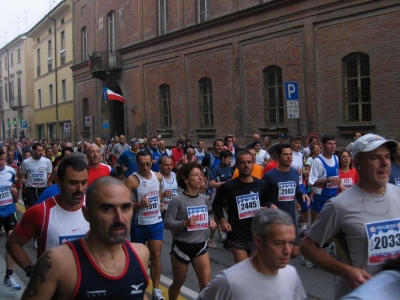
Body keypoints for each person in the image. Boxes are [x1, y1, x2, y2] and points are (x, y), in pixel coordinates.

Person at [300, 133, 400, 299]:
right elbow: (308, 247)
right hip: (358, 294)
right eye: (375, 158)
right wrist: (345, 271)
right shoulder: (339, 205)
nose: (384, 163)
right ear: (357, 163)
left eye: (387, 157)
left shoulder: (398, 194)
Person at [21, 177, 150, 300]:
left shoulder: (140, 254)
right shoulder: (58, 262)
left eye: (126, 207)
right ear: (87, 214)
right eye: (107, 209)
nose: (120, 218)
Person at [198, 209, 306, 300]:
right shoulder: (229, 280)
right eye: (279, 243)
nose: (288, 251)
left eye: (291, 243)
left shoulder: (291, 274)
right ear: (258, 241)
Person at [6, 156, 90, 271]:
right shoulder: (40, 211)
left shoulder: (95, 208)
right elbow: (13, 243)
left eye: (84, 182)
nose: (80, 189)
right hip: (54, 288)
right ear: (59, 182)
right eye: (73, 183)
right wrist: (33, 272)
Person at [164, 162, 217, 300]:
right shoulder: (177, 200)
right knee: (178, 283)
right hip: (182, 247)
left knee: (206, 285)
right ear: (186, 179)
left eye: (201, 175)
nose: (200, 178)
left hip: (200, 245)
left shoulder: (204, 198)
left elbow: (207, 215)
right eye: (195, 175)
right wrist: (184, 223)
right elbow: (167, 223)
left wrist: (210, 221)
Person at [212, 150, 268, 263]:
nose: (246, 165)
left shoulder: (261, 185)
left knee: (255, 271)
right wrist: (223, 221)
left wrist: (267, 209)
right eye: (242, 162)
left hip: (256, 235)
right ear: (236, 165)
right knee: (244, 270)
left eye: (249, 162)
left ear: (253, 164)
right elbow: (216, 204)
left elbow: (267, 203)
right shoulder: (228, 186)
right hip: (237, 235)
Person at [125, 150, 165, 300]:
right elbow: (123, 202)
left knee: (155, 255)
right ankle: (138, 289)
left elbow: (158, 191)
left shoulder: (158, 176)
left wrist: (159, 202)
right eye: (142, 165)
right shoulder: (132, 180)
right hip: (139, 224)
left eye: (148, 164)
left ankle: (156, 290)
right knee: (139, 258)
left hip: (156, 222)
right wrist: (138, 204)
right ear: (137, 164)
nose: (146, 168)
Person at [262, 144, 310, 258]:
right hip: (275, 220)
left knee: (294, 252)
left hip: (290, 218)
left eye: (290, 154)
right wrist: (269, 205)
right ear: (277, 156)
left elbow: (296, 187)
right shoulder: (269, 176)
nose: (289, 157)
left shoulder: (294, 172)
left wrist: (303, 194)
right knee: (277, 254)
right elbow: (261, 197)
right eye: (285, 155)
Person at [0, 145, 22, 291]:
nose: (2, 155)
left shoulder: (10, 171)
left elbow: (15, 198)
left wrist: (14, 192)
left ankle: (9, 276)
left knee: (12, 242)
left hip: (9, 211)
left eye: (3, 153)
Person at [307, 134, 342, 224]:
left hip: (334, 198)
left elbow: (337, 177)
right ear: (322, 145)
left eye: (334, 143)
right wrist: (328, 180)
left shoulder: (336, 158)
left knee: (331, 229)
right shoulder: (318, 161)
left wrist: (340, 185)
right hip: (320, 199)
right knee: (317, 229)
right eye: (330, 144)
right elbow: (311, 182)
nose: (333, 146)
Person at [207, 149, 233, 247]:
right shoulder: (216, 169)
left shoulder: (230, 169)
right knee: (217, 220)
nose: (230, 161)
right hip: (217, 197)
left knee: (232, 214)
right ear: (223, 159)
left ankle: (230, 237)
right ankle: (211, 238)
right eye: (229, 159)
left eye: (231, 159)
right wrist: (224, 184)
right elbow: (212, 183)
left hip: (227, 198)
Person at [20, 142, 53, 209]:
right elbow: (22, 174)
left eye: (42, 150)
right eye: (39, 150)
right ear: (33, 150)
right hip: (31, 189)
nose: (41, 152)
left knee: (43, 208)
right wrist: (23, 179)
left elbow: (49, 173)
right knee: (33, 208)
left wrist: (49, 179)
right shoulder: (26, 162)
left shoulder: (46, 161)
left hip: (43, 188)